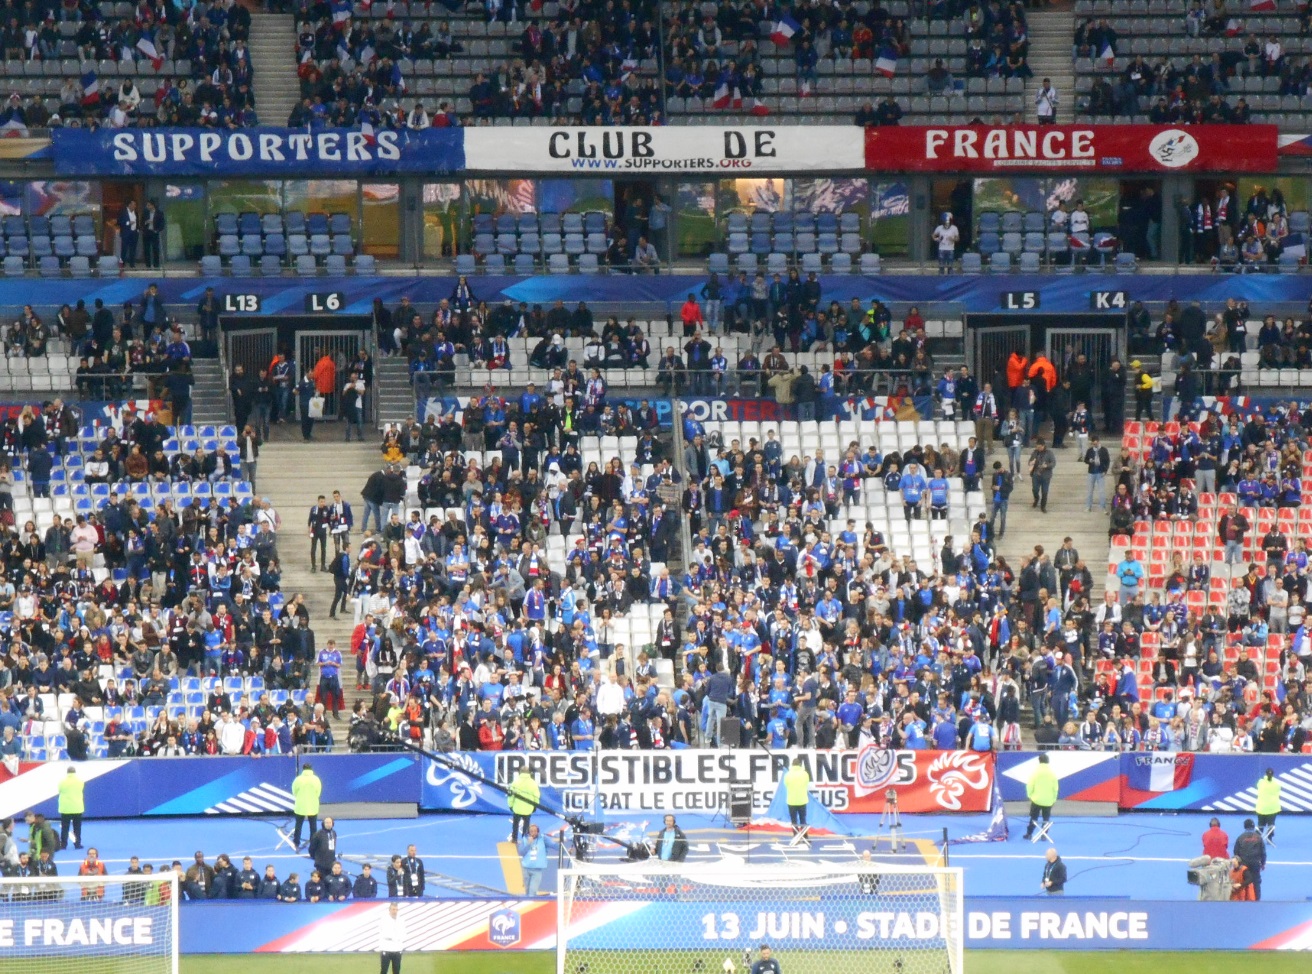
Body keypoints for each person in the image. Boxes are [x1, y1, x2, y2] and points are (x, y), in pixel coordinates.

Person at [1023, 753, 1058, 841]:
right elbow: (1055, 788)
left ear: (1039, 761)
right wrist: (1054, 798)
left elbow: (1030, 785)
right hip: (1048, 800)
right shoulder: (1052, 773)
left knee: (1033, 818)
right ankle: (1043, 834)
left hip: (1036, 799)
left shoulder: (1035, 772)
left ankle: (1029, 833)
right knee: (1046, 818)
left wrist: (1030, 795)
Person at [1232, 818, 1266, 900]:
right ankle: (1257, 899)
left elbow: (1235, 852)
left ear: (1244, 827)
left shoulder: (1240, 838)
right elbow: (1263, 852)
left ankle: (1244, 898)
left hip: (1243, 864)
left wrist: (1238, 865)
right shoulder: (1258, 837)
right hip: (1255, 863)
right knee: (1256, 882)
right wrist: (1263, 863)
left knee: (1244, 881)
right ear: (1253, 826)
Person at [291, 763, 322, 849]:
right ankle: (313, 843)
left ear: (303, 769)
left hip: (300, 805)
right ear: (311, 769)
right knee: (313, 826)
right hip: (313, 805)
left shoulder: (298, 779)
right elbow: (318, 791)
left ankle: (296, 842)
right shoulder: (316, 779)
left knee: (298, 825)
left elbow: (294, 791)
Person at [507, 768, 540, 843]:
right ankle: (525, 839)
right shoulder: (533, 783)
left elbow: (511, 796)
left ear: (520, 772)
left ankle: (514, 838)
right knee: (526, 824)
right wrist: (535, 805)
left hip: (517, 807)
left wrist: (510, 805)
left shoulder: (515, 782)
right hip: (528, 808)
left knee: (515, 824)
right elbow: (536, 796)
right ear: (529, 773)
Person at [57, 766, 84, 850]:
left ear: (67, 772)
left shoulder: (62, 782)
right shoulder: (80, 781)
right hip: (77, 807)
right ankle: (77, 844)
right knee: (77, 827)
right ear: (74, 772)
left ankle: (63, 844)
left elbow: (59, 790)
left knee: (65, 827)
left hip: (66, 807)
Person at [518, 823, 548, 896]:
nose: (533, 833)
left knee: (532, 891)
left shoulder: (543, 839)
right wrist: (528, 844)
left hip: (537, 870)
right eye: (531, 831)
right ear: (529, 832)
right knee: (527, 891)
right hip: (526, 869)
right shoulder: (525, 840)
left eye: (535, 831)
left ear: (538, 832)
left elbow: (554, 845)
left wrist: (566, 850)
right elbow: (521, 852)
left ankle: (531, 900)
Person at [783, 757, 810, 837]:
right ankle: (805, 836)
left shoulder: (788, 774)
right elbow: (806, 783)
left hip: (791, 801)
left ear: (792, 765)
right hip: (802, 800)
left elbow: (786, 785)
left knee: (794, 820)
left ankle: (796, 836)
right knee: (803, 819)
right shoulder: (805, 774)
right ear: (800, 765)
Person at [378, 901, 406, 974]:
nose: (395, 911)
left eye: (396, 909)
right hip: (386, 948)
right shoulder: (384, 919)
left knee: (396, 971)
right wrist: (394, 937)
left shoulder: (401, 920)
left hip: (397, 949)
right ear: (389, 910)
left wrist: (400, 940)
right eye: (393, 909)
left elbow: (403, 932)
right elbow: (384, 933)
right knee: (384, 970)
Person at [1255, 768, 1281, 843]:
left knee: (1260, 824)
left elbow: (1258, 785)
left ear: (1266, 774)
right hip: (1273, 808)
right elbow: (1278, 789)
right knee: (1271, 824)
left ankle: (1257, 839)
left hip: (1261, 808)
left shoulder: (1261, 782)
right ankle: (1269, 838)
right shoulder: (1277, 783)